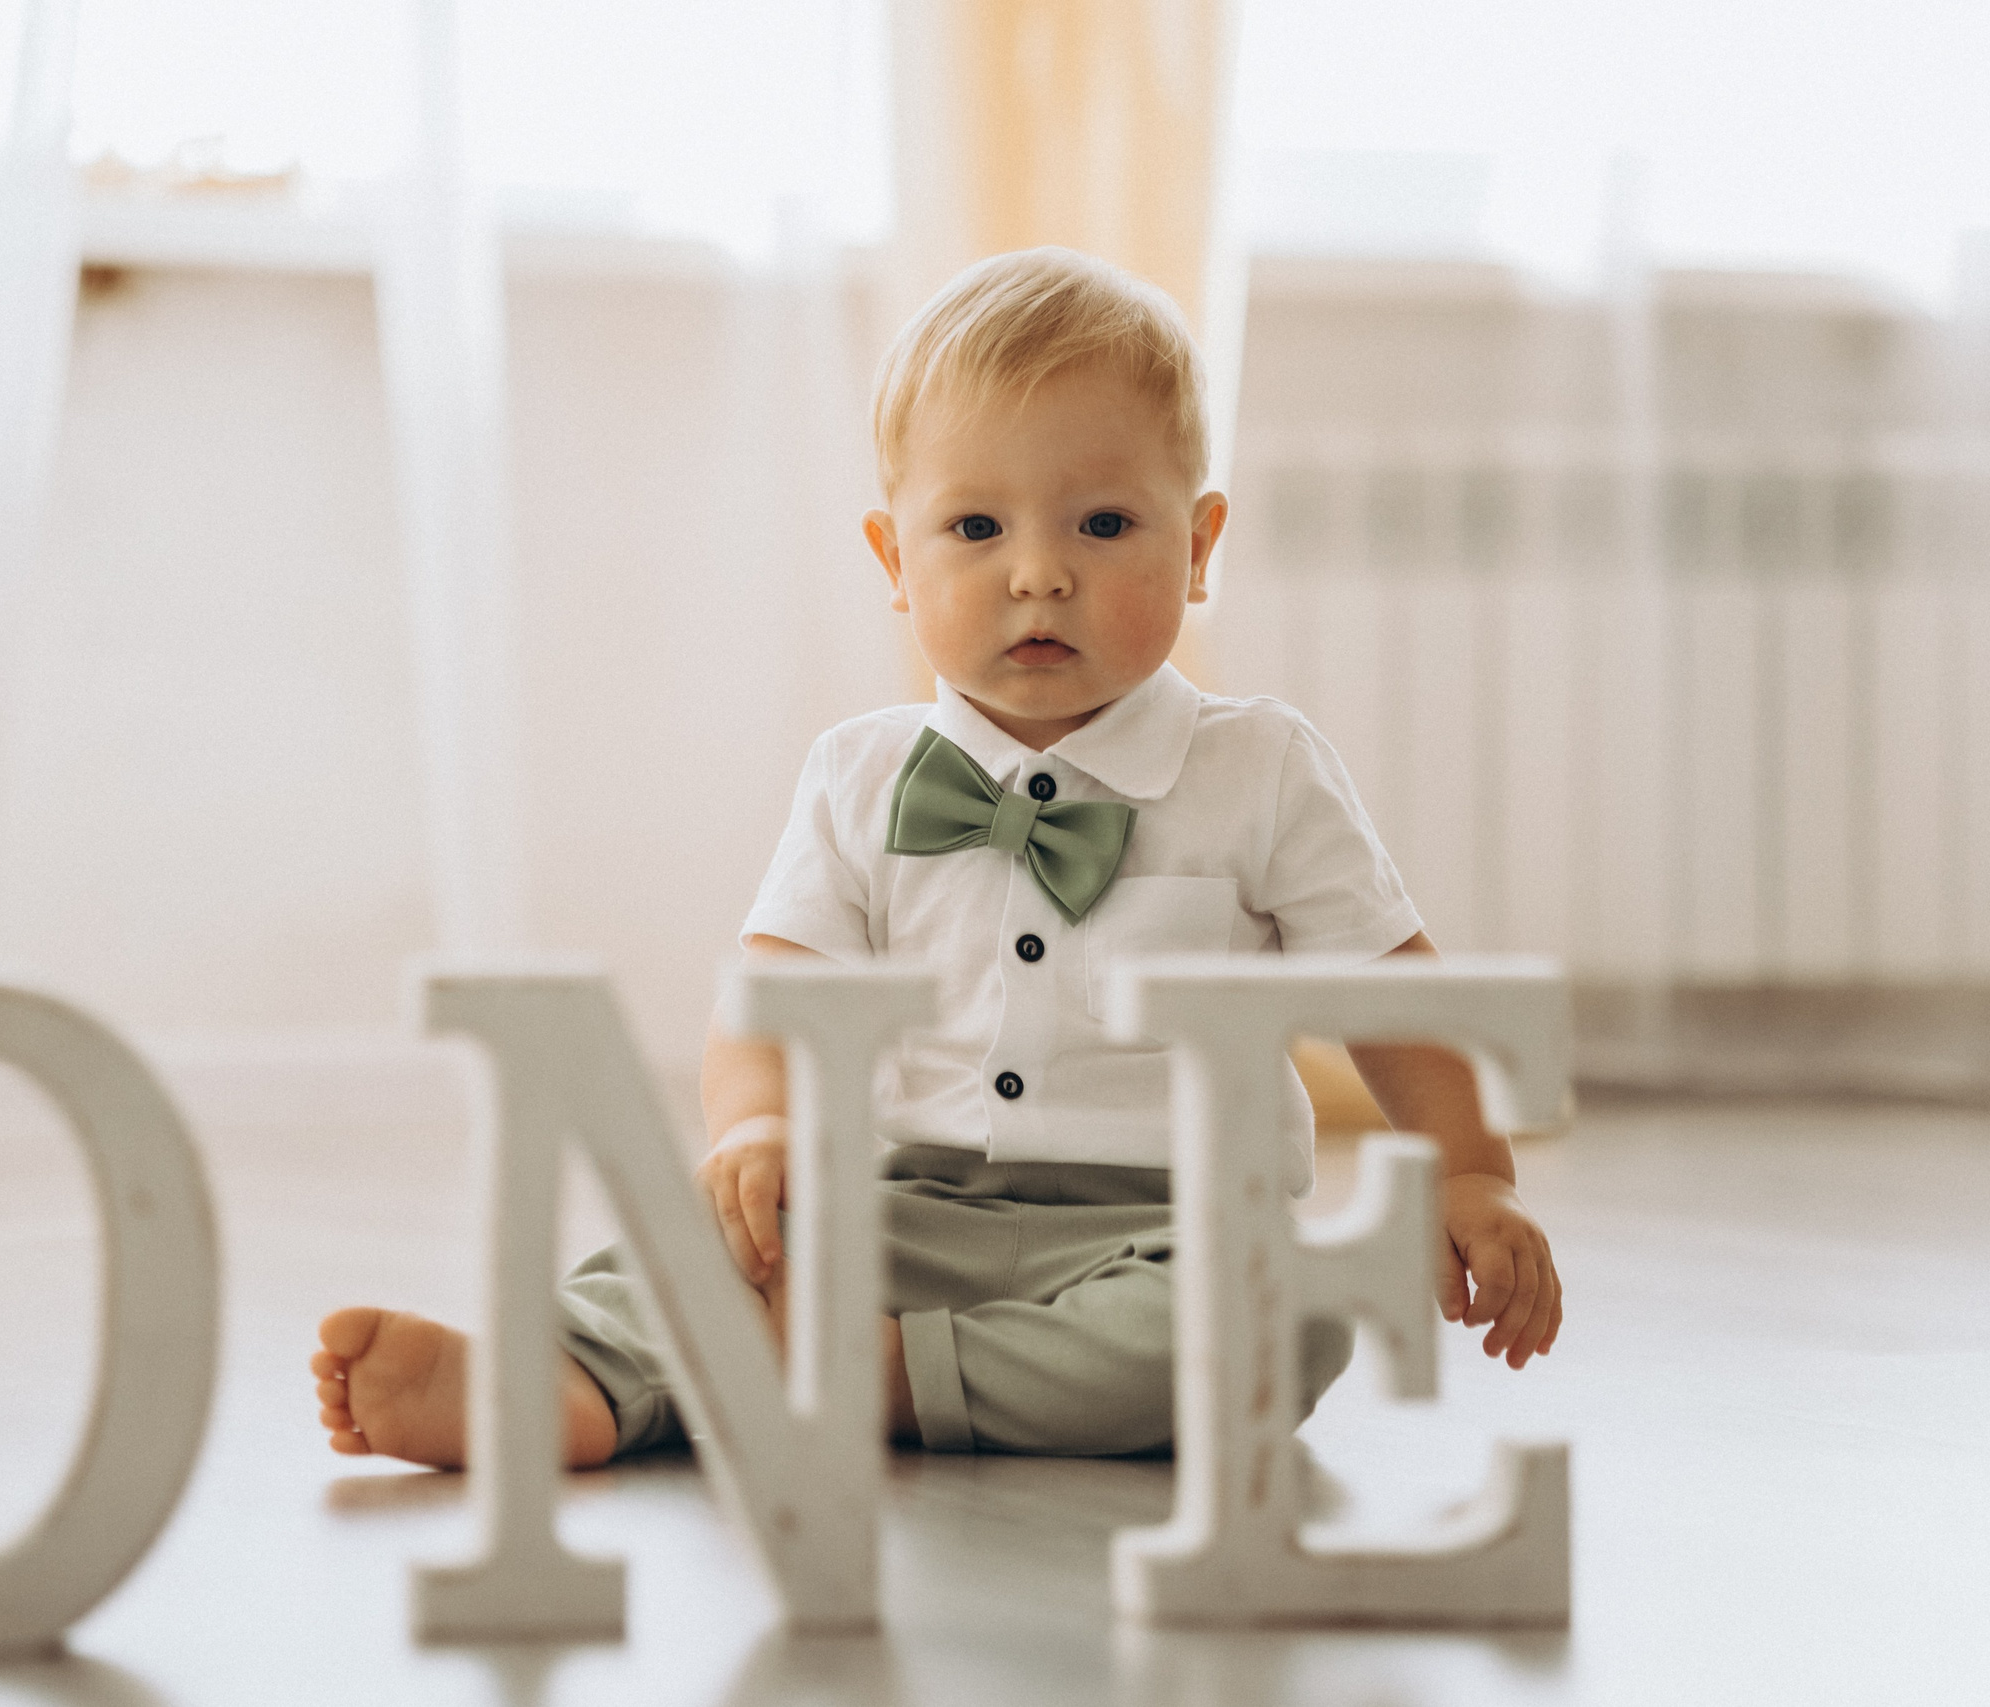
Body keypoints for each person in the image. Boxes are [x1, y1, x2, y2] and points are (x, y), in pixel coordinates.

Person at [311, 246, 1561, 1467]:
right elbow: (774, 991)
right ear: (893, 562)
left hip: (1169, 1226)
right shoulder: (859, 775)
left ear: (1197, 546)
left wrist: (1468, 1174)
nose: (1038, 572)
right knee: (697, 1245)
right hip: (894, 1209)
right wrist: (758, 1126)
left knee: (1287, 1314)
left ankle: (886, 1377)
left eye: (1105, 522)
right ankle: (563, 1380)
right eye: (974, 526)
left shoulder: (1265, 771)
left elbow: (1390, 991)